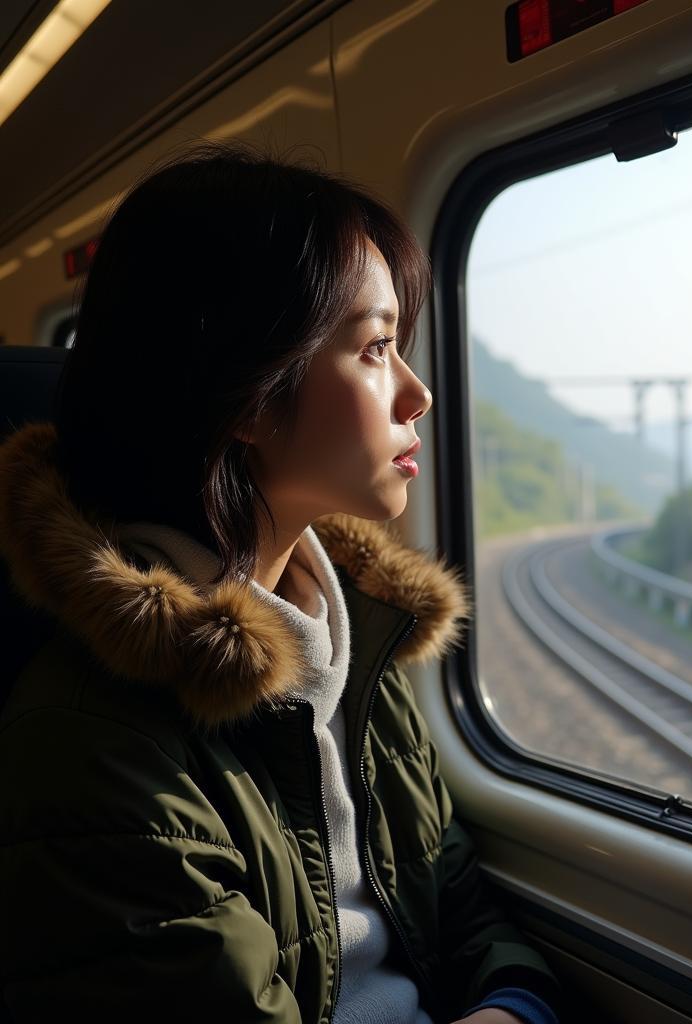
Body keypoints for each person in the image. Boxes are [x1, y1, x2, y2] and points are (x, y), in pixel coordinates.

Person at [0, 142, 562, 1024]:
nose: (415, 394)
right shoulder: (91, 746)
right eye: (377, 348)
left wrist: (515, 1006)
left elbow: (459, 905)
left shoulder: (360, 637)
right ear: (252, 397)